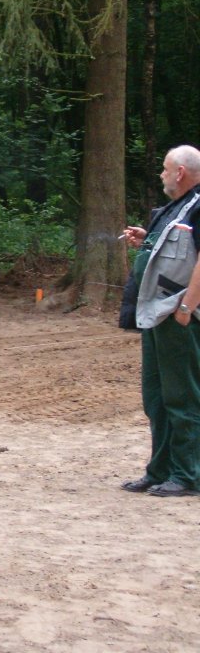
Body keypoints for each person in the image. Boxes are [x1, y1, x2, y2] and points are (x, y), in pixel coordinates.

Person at [121, 145, 200, 497]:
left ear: (180, 172)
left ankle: (187, 475)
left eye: (165, 169)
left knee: (182, 398)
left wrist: (186, 308)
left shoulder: (198, 207)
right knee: (156, 397)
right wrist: (146, 240)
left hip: (177, 316)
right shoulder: (173, 209)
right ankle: (160, 471)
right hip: (156, 314)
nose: (162, 174)